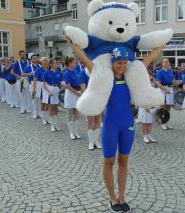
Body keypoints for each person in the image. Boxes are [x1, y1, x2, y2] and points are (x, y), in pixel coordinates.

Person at [66, 34, 162, 212]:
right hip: (110, 124)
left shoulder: (132, 78)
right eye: (119, 62)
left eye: (125, 62)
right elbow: (85, 59)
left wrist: (161, 42)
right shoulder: (104, 77)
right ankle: (112, 198)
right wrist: (73, 44)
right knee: (109, 162)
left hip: (128, 124)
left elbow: (150, 58)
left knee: (124, 161)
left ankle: (122, 197)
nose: (122, 65)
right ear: (112, 62)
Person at [79, 65, 102, 150]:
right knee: (90, 120)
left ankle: (96, 141)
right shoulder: (83, 73)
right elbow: (83, 89)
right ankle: (91, 142)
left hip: (98, 98)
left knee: (97, 119)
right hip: (88, 99)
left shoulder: (98, 72)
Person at [63, 57, 82, 140]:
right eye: (74, 62)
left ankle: (76, 132)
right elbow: (67, 86)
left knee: (77, 113)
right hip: (71, 94)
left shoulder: (75, 70)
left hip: (77, 92)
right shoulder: (67, 73)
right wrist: (76, 93)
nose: (75, 64)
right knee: (70, 114)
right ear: (70, 63)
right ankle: (71, 132)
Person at [42, 59, 63, 132]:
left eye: (56, 63)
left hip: (56, 89)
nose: (56, 65)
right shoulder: (46, 73)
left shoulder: (59, 73)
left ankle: (56, 124)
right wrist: (48, 92)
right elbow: (44, 85)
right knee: (51, 108)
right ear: (50, 64)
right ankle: (52, 125)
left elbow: (61, 83)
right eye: (54, 63)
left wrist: (63, 88)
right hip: (49, 89)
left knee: (56, 108)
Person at [155, 58, 175, 130]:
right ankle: (163, 122)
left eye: (167, 62)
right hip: (162, 89)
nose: (166, 63)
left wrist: (183, 80)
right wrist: (165, 89)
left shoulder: (170, 72)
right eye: (165, 62)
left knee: (169, 107)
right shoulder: (159, 72)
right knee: (163, 106)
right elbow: (158, 83)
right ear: (162, 63)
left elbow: (173, 82)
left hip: (170, 89)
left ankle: (167, 122)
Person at [36, 57, 50, 125]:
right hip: (41, 86)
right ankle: (44, 118)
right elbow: (35, 79)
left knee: (48, 103)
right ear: (41, 62)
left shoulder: (49, 69)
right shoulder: (38, 70)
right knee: (43, 103)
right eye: (45, 61)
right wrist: (34, 89)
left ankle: (47, 117)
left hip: (48, 86)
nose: (46, 62)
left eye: (47, 61)